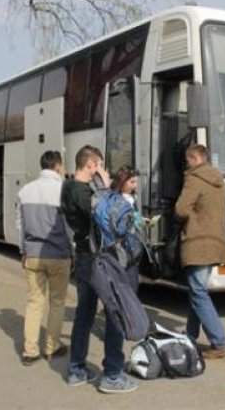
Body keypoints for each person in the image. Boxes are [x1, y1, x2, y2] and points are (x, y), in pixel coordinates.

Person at [61, 145, 138, 394]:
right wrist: (106, 186)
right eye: (101, 165)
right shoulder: (80, 191)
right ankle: (113, 374)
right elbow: (103, 212)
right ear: (91, 165)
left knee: (84, 313)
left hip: (85, 258)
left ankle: (77, 369)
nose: (103, 170)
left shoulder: (70, 188)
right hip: (100, 261)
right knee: (115, 311)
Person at [175, 144, 225, 359]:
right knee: (196, 289)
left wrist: (191, 216)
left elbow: (180, 208)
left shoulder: (195, 178)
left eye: (188, 160)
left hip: (199, 242)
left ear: (194, 158)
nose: (186, 164)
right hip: (217, 241)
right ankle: (190, 335)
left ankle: (219, 342)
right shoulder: (219, 180)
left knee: (198, 291)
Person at [16, 151, 71, 366]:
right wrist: (73, 251)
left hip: (33, 255)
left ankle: (30, 351)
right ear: (58, 166)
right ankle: (52, 346)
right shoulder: (63, 190)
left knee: (34, 303)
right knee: (57, 303)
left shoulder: (25, 191)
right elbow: (68, 228)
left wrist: (23, 251)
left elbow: (20, 225)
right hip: (58, 255)